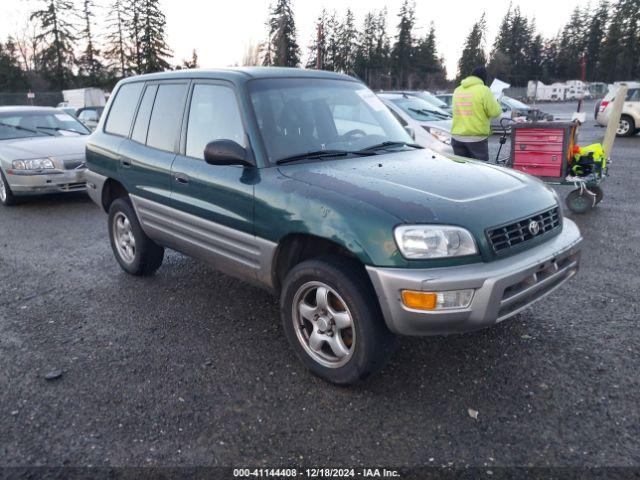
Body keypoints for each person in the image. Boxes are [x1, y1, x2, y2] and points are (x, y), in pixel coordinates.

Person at [450, 66, 502, 161]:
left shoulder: (457, 90)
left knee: (461, 170)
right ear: (483, 78)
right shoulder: (484, 90)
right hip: (476, 138)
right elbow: (495, 112)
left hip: (457, 137)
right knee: (479, 170)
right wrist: (497, 102)